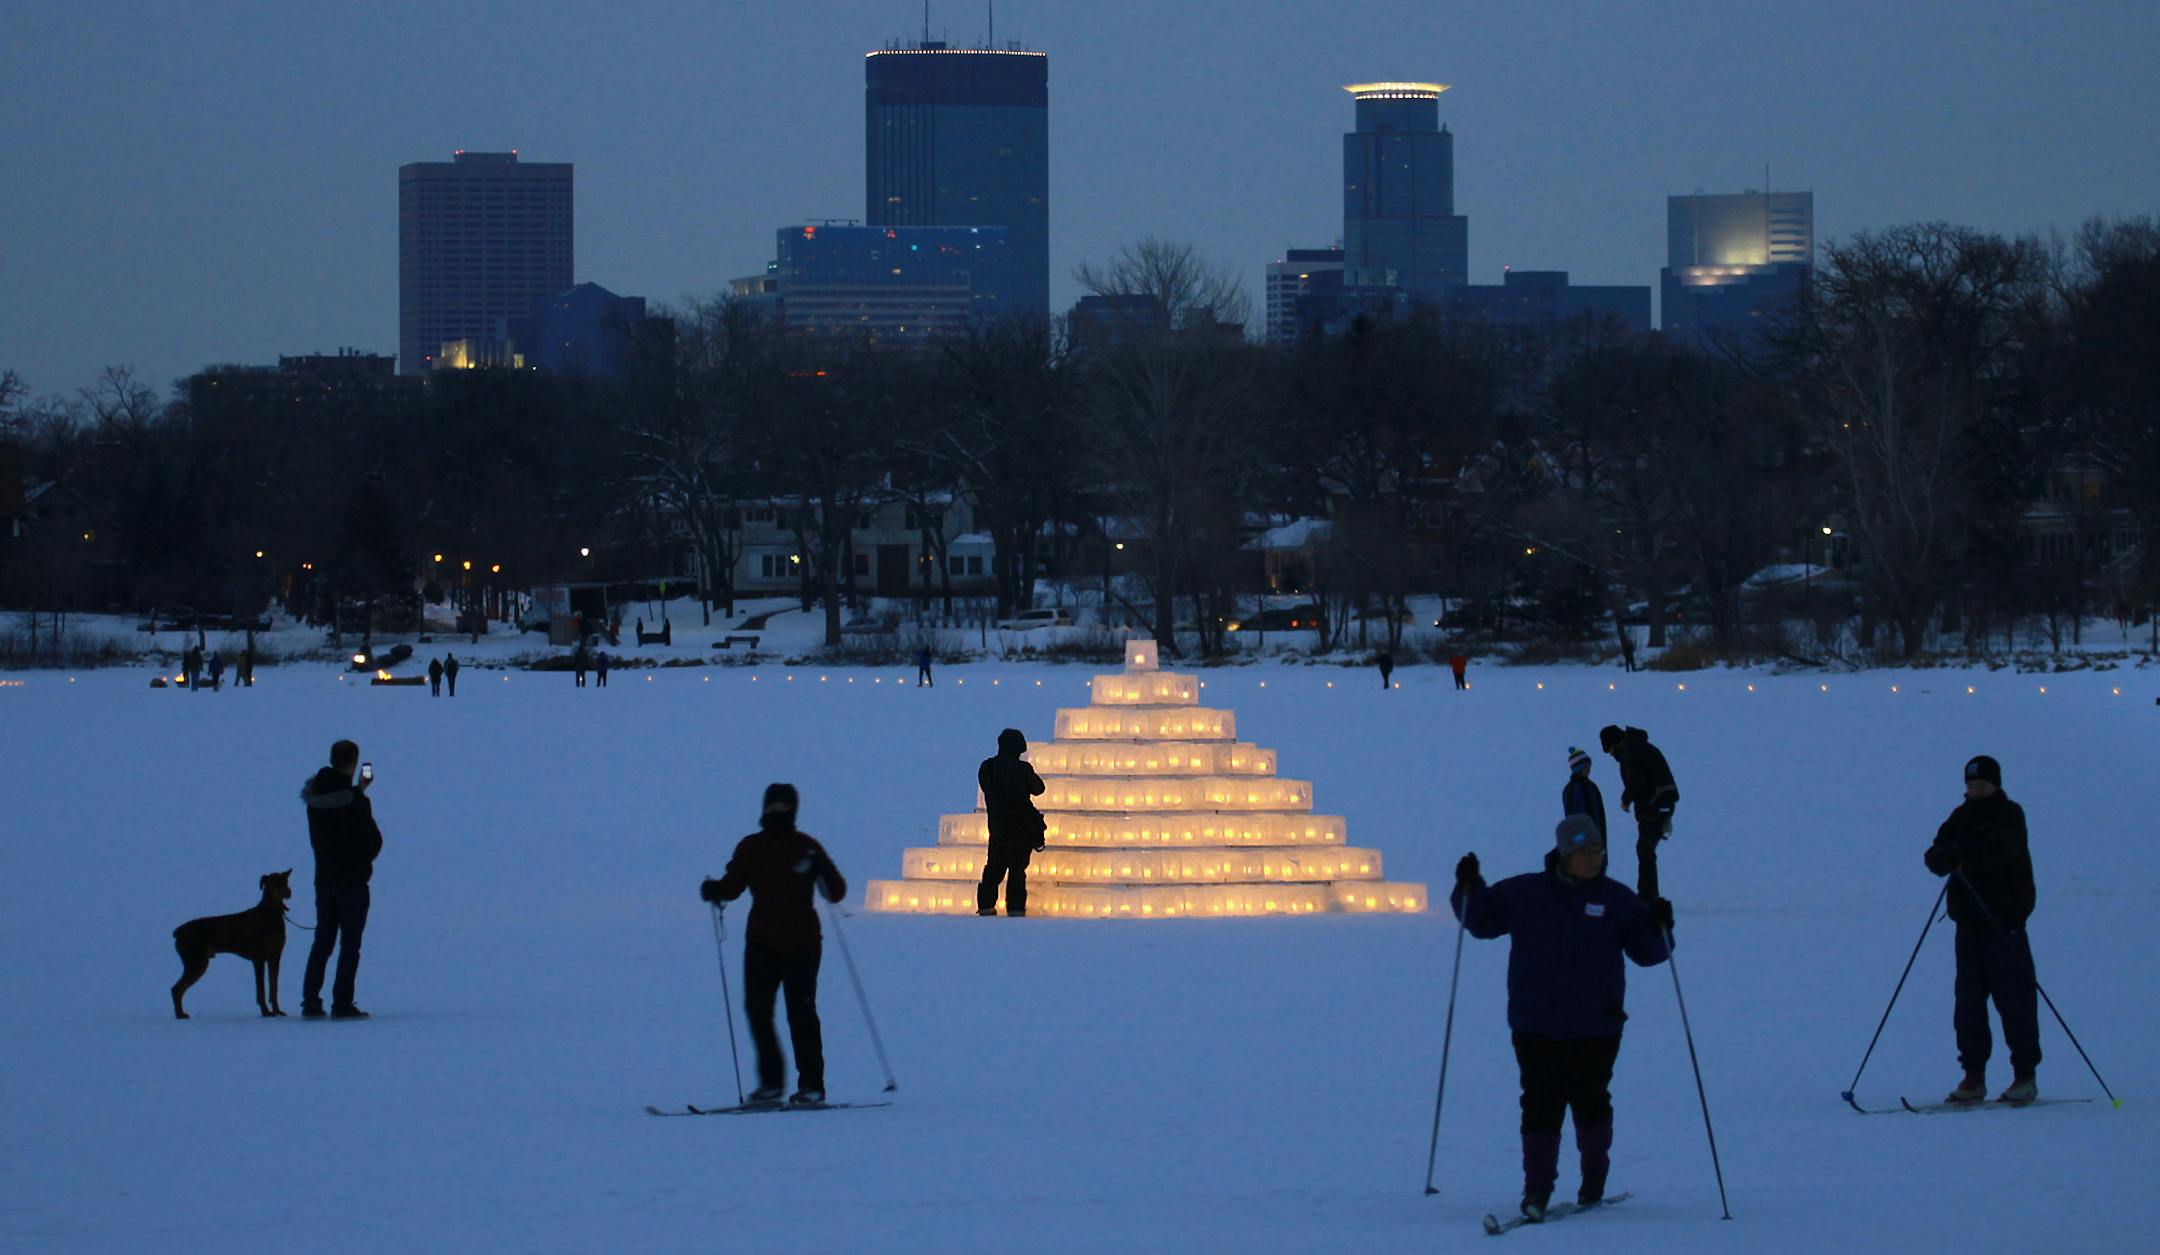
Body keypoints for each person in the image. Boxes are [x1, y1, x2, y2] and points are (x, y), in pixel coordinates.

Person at [1453, 816, 1673, 1223]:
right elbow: (1481, 921)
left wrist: (1660, 926)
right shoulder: (1526, 893)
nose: (1594, 858)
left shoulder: (1617, 899)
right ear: (1565, 854)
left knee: (1591, 1100)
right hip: (1536, 1022)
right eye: (1585, 851)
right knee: (1541, 1104)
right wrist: (1469, 886)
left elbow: (1648, 952)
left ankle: (1594, 1181)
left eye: (1598, 850)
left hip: (1598, 1023)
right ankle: (1537, 1189)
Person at [699, 783, 847, 1105]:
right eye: (774, 807)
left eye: (784, 807)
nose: (778, 812)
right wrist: (715, 890)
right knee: (758, 1011)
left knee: (801, 1013)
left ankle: (811, 1086)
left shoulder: (806, 847)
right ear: (765, 809)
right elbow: (733, 886)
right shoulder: (752, 848)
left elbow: (836, 891)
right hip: (762, 943)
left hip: (802, 944)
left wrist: (820, 870)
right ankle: (772, 1084)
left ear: (793, 810)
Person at [1925, 754, 2041, 1104]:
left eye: (1981, 785)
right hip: (1969, 925)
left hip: (2005, 924)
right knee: (1968, 1003)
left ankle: (2024, 1076)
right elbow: (1934, 857)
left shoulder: (2010, 814)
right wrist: (1946, 856)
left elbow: (1997, 851)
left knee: (2014, 1000)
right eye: (1971, 785)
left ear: (1995, 784)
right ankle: (1973, 1076)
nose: (1975, 790)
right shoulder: (1959, 816)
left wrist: (1962, 853)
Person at [299, 739, 384, 1019]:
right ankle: (342, 1003)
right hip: (352, 882)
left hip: (324, 880)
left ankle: (311, 1001)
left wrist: (357, 790)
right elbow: (372, 843)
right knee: (349, 946)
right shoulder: (356, 802)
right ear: (354, 762)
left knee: (322, 943)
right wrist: (359, 794)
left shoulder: (315, 797)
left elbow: (335, 809)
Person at [1599, 725, 1678, 901]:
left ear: (1614, 743)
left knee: (1644, 849)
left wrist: (1626, 799)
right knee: (1645, 849)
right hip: (1663, 802)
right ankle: (1648, 894)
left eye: (1609, 749)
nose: (1611, 755)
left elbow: (1637, 780)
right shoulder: (1638, 747)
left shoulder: (1631, 752)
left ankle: (1647, 896)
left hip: (1657, 804)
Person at [976, 728, 1047, 917]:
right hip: (1020, 829)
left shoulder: (987, 767)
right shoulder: (1023, 769)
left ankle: (986, 906)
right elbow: (1039, 788)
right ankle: (1015, 909)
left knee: (993, 868)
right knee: (1017, 871)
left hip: (998, 828)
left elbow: (987, 789)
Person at [1561, 747, 1607, 844]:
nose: (1589, 769)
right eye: (1587, 766)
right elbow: (1571, 817)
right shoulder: (1572, 790)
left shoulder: (1591, 786)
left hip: (1596, 838)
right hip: (1583, 840)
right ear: (1579, 768)